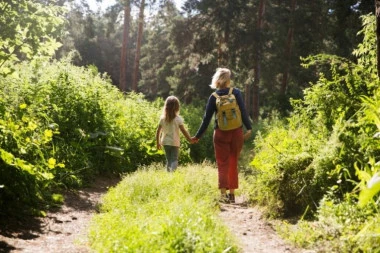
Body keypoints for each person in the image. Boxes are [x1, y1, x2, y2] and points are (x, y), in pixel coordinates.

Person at [191, 68, 252, 203]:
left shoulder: (214, 97)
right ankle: (232, 194)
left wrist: (197, 136)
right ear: (228, 80)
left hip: (220, 133)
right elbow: (243, 111)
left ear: (217, 80)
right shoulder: (235, 93)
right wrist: (249, 127)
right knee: (233, 162)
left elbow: (206, 119)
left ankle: (223, 195)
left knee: (222, 163)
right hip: (236, 132)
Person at [156, 96, 193, 172]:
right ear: (177, 107)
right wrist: (189, 139)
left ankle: (168, 174)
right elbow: (183, 131)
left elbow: (158, 131)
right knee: (174, 159)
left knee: (169, 159)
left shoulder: (162, 118)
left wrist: (158, 142)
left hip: (165, 142)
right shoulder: (178, 119)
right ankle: (172, 174)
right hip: (174, 142)